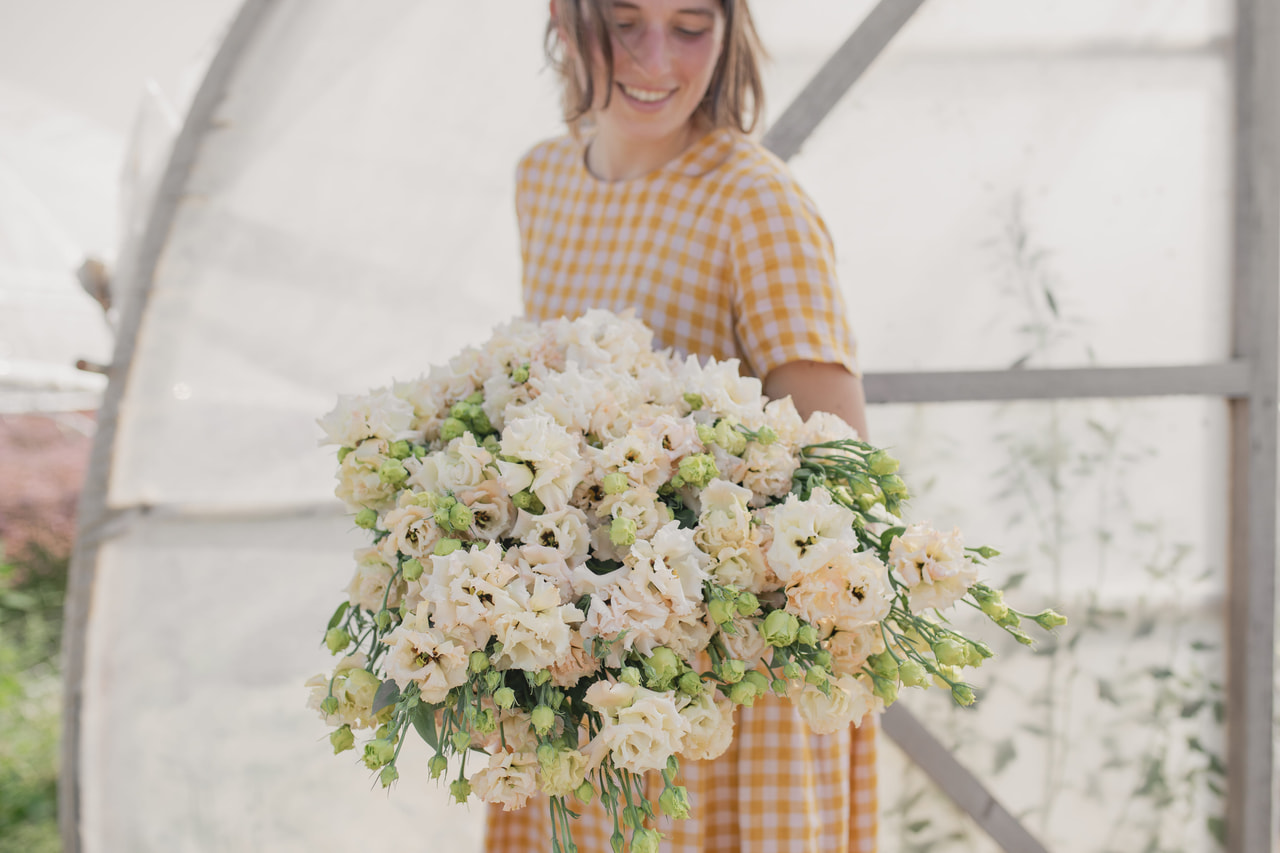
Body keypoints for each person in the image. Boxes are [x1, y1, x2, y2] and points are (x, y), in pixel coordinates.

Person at [486, 1, 876, 850]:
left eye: (691, 24)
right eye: (623, 21)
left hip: (721, 702)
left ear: (730, 32)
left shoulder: (755, 204)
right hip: (583, 688)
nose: (655, 57)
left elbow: (837, 492)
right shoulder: (543, 180)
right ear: (564, 15)